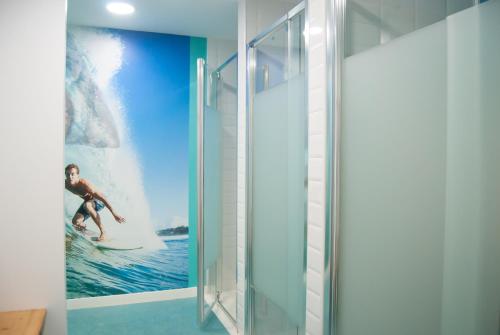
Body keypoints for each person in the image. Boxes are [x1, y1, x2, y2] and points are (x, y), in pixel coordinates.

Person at [64, 163, 125, 241]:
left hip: (99, 201)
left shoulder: (84, 184)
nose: (70, 177)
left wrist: (114, 213)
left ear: (77, 175)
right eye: (67, 174)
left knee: (87, 205)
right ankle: (83, 228)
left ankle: (103, 232)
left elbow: (103, 198)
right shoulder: (65, 184)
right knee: (75, 222)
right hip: (88, 201)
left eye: (72, 174)